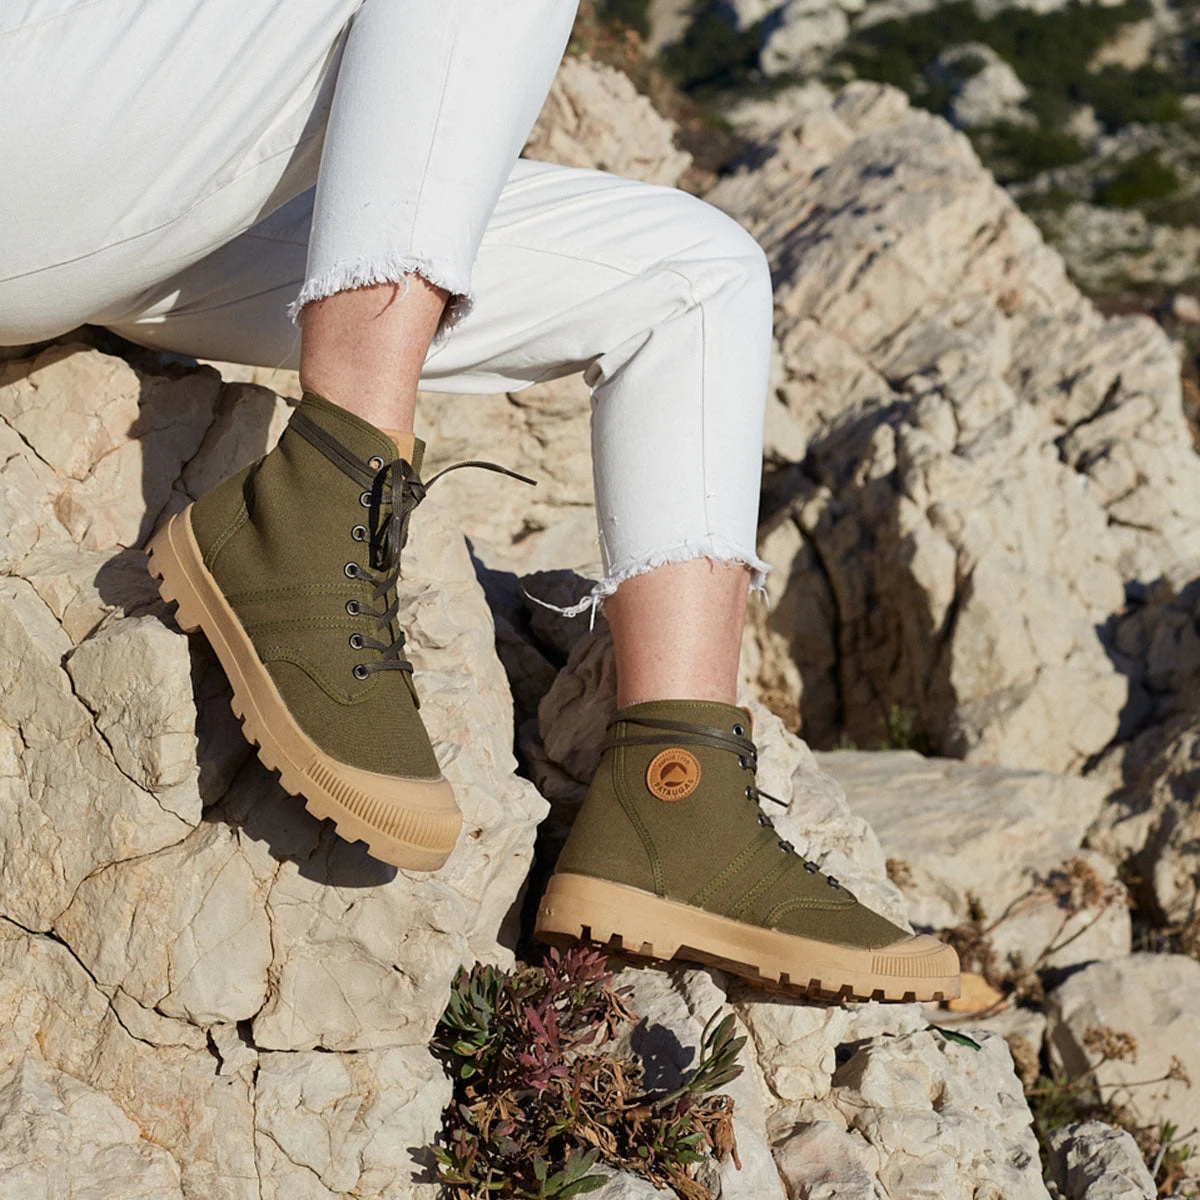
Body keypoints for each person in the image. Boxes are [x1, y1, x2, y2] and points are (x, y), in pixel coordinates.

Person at [0, 0, 958, 1003]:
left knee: (699, 275)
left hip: (130, 175)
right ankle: (321, 492)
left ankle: (677, 799)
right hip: (43, 130)